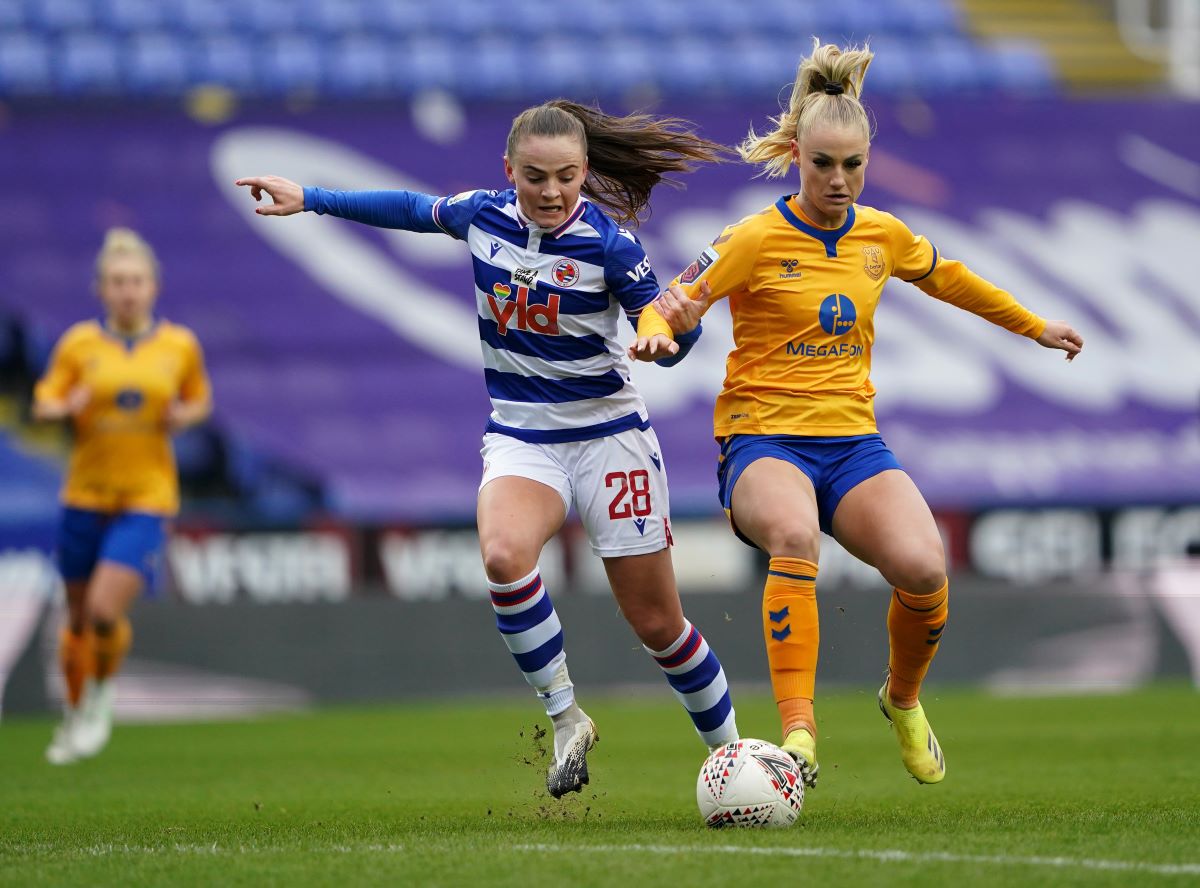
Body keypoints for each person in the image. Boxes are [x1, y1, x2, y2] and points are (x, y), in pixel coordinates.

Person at [235, 100, 739, 798]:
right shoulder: (483, 216)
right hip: (524, 433)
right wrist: (311, 198)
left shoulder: (610, 245)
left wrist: (667, 339)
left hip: (609, 436)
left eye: (567, 176)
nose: (553, 192)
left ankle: (734, 757)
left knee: (658, 623)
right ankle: (567, 720)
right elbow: (411, 209)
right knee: (503, 557)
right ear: (510, 171)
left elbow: (668, 330)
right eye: (536, 177)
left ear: (585, 172)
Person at [631, 41, 1084, 788]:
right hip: (762, 439)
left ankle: (901, 699)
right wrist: (657, 328)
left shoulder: (882, 236)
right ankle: (800, 737)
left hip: (851, 444)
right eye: (823, 165)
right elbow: (677, 297)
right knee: (793, 532)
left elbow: (953, 281)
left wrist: (1034, 326)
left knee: (925, 569)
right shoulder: (753, 238)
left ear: (867, 162)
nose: (838, 180)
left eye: (852, 165)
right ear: (796, 158)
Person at [33, 228, 213, 764]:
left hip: (147, 496)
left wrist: (183, 414)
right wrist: (65, 407)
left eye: (135, 281)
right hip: (85, 493)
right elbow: (43, 400)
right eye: (117, 282)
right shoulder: (78, 345)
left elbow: (199, 398)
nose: (128, 291)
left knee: (104, 610)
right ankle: (74, 710)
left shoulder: (178, 345)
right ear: (101, 290)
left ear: (153, 286)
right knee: (77, 619)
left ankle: (102, 696)